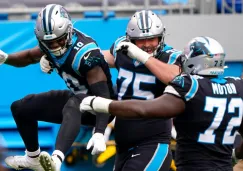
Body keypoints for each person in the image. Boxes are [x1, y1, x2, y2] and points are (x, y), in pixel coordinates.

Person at [81, 36, 243, 171]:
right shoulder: (237, 87)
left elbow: (145, 109)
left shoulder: (192, 87)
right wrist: (236, 155)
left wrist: (102, 104)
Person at [0, 4, 114, 171]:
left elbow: (103, 96)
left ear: (69, 31)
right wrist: (6, 58)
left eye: (59, 40)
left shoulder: (86, 53)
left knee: (74, 103)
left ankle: (56, 160)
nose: (55, 46)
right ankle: (33, 157)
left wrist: (99, 131)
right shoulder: (51, 44)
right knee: (21, 107)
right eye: (50, 43)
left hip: (101, 108)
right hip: (76, 99)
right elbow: (29, 56)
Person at [100, 10, 181, 171]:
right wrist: (57, 57)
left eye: (152, 38)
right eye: (141, 40)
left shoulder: (169, 56)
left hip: (153, 141)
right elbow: (101, 58)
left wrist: (143, 57)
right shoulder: (122, 49)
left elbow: (176, 75)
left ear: (161, 36)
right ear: (131, 39)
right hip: (123, 144)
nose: (147, 44)